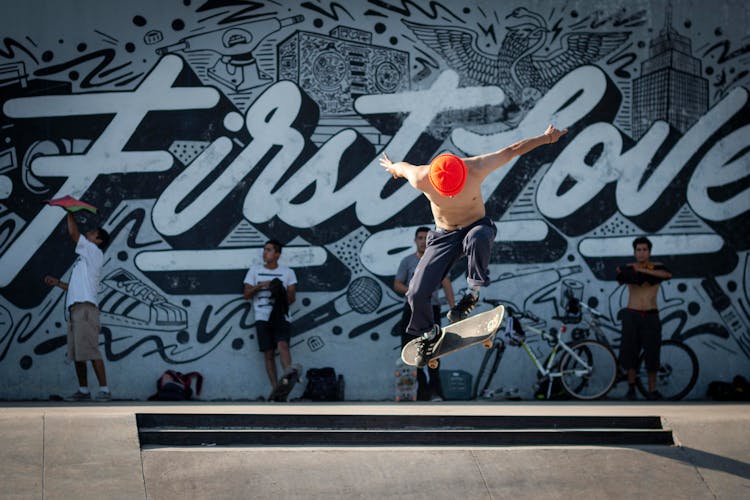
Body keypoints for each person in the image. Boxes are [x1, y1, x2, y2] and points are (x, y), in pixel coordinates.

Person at [380, 124, 567, 366]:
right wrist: (392, 168)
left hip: (476, 227)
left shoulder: (477, 166)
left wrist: (546, 138)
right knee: (415, 292)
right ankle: (430, 333)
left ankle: (472, 295)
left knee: (478, 238)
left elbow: (513, 150)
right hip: (443, 237)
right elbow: (401, 168)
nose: (450, 196)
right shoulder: (420, 177)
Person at [44, 211, 111, 401]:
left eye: (91, 233)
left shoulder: (94, 252)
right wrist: (58, 283)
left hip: (85, 310)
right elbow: (76, 287)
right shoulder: (85, 260)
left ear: (97, 241)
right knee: (78, 354)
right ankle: (83, 391)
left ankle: (105, 390)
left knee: (90, 350)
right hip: (76, 310)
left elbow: (74, 234)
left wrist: (69, 211)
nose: (87, 233)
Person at [395, 226, 455, 401]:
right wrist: (413, 293)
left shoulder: (438, 260)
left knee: (433, 351)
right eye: (420, 238)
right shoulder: (407, 262)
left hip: (432, 310)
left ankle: (435, 392)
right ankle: (419, 393)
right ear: (415, 241)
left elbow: (446, 283)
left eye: (426, 238)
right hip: (412, 310)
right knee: (411, 350)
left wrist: (453, 308)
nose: (423, 241)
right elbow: (397, 284)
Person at [616, 237, 672, 400]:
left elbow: (667, 275)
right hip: (632, 313)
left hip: (651, 314)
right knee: (630, 352)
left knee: (652, 353)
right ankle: (631, 389)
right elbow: (620, 275)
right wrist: (631, 270)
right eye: (638, 250)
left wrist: (643, 270)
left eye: (644, 250)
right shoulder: (629, 268)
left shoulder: (657, 267)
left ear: (649, 252)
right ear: (634, 252)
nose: (641, 253)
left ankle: (652, 390)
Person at [243, 239, 298, 394]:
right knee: (269, 354)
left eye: (268, 250)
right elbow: (246, 294)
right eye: (264, 249)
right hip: (262, 316)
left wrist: (278, 289)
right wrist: (260, 286)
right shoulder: (254, 270)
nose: (264, 253)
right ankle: (276, 389)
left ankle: (288, 377)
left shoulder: (288, 272)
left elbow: (292, 297)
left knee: (283, 346)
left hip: (281, 316)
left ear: (277, 254)